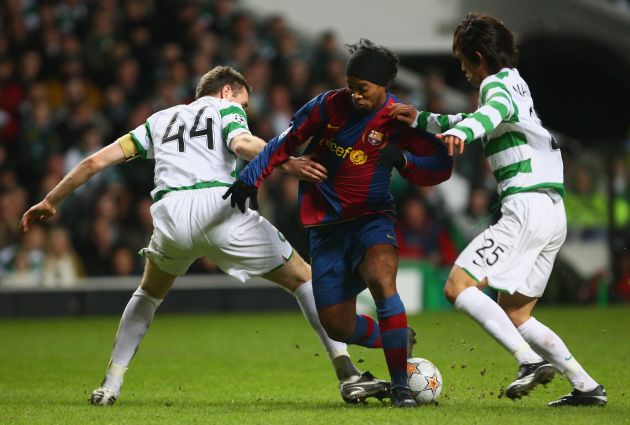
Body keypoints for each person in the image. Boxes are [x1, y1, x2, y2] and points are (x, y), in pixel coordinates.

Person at [20, 66, 389, 406]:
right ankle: (347, 374)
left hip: (171, 216)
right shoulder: (224, 109)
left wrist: (51, 200)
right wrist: (287, 161)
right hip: (219, 209)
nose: (243, 107)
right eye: (242, 101)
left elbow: (93, 162)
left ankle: (110, 384)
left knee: (148, 293)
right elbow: (243, 145)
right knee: (303, 279)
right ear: (227, 91)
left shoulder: (159, 120)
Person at [388, 13, 607, 407]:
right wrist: (424, 119)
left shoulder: (495, 85)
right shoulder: (515, 82)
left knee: (458, 285)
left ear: (478, 57)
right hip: (553, 211)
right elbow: (484, 118)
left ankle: (527, 361)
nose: (463, 71)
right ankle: (587, 386)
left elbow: (486, 116)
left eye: (463, 61)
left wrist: (461, 133)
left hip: (525, 208)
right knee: (517, 313)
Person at [223, 40, 453, 407]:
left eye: (363, 89)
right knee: (337, 325)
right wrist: (251, 176)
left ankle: (400, 388)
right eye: (351, 86)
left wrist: (405, 161)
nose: (355, 95)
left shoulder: (400, 119)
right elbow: (287, 141)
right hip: (325, 228)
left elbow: (441, 167)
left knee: (382, 280)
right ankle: (396, 337)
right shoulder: (328, 105)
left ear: (384, 87)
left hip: (372, 217)